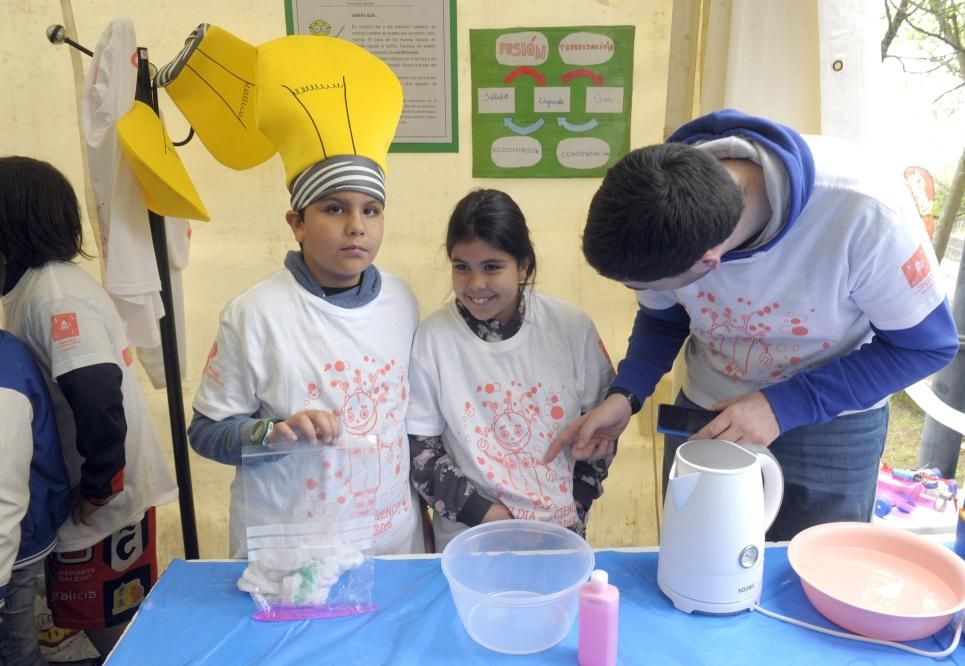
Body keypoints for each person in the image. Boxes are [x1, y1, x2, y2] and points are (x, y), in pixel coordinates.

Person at [545, 109, 958, 541]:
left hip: (832, 420)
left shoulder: (865, 213)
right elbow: (662, 316)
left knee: (811, 571)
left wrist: (783, 405)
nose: (639, 291)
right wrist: (626, 394)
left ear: (710, 264)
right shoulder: (659, 202)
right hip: (710, 411)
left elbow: (927, 346)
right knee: (700, 563)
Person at [187, 33, 422, 557]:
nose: (356, 227)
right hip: (291, 554)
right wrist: (275, 434)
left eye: (371, 209)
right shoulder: (254, 314)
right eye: (335, 209)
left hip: (390, 544)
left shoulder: (403, 302)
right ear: (296, 222)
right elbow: (205, 433)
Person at [0, 156, 178, 657]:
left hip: (103, 501)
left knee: (112, 626)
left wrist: (100, 487)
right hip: (97, 493)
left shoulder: (55, 297)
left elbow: (98, 392)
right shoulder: (38, 288)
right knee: (107, 621)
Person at [407, 189, 615, 551]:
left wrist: (578, 501)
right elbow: (421, 452)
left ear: (524, 265)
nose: (475, 285)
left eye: (492, 267)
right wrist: (494, 519)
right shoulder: (433, 337)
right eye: (461, 267)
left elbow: (602, 429)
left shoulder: (571, 327)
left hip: (560, 532)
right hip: (470, 537)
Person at [0, 329, 71, 666]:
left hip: (13, 549)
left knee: (16, 653)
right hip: (17, 536)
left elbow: (3, 500)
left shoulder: (4, 372)